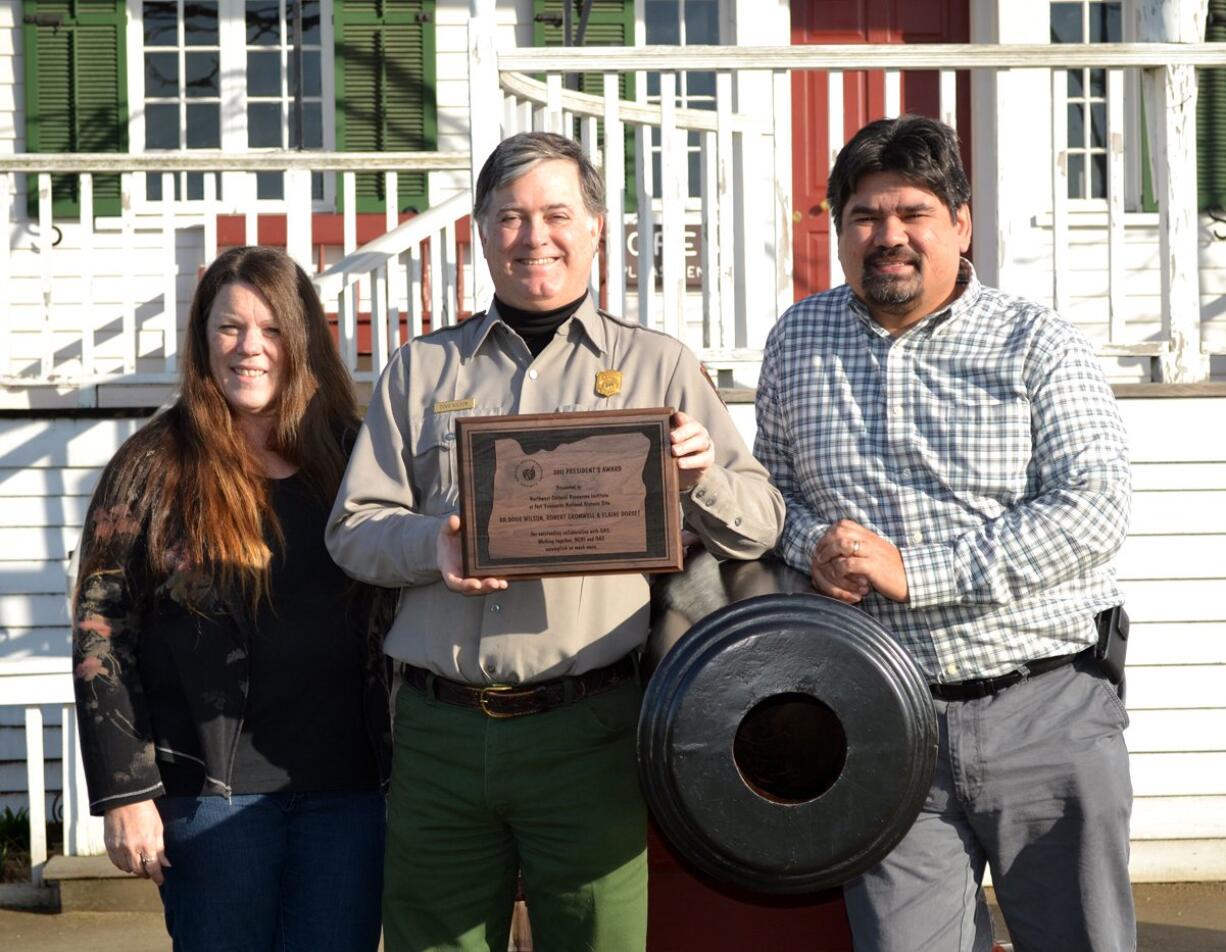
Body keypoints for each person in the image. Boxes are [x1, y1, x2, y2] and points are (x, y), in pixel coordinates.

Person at [325, 131, 784, 952]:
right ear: (482, 230)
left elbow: (758, 523)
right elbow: (351, 531)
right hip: (442, 733)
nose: (535, 236)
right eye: (511, 216)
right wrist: (435, 547)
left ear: (598, 227)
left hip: (590, 730)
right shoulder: (421, 371)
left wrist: (702, 474)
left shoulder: (660, 368)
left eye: (557, 214)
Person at [754, 115, 1134, 952]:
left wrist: (916, 572)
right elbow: (770, 495)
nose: (887, 236)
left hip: (1046, 708)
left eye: (912, 214)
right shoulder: (796, 340)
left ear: (961, 226)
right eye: (863, 216)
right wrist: (811, 542)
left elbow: (1095, 506)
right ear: (838, 229)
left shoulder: (1037, 343)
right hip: (884, 725)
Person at [72, 246, 393, 951]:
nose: (251, 348)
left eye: (272, 328)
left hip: (350, 800)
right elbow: (100, 631)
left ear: (301, 339)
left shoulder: (355, 456)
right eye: (230, 328)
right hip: (210, 803)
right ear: (202, 340)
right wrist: (126, 793)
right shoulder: (153, 464)